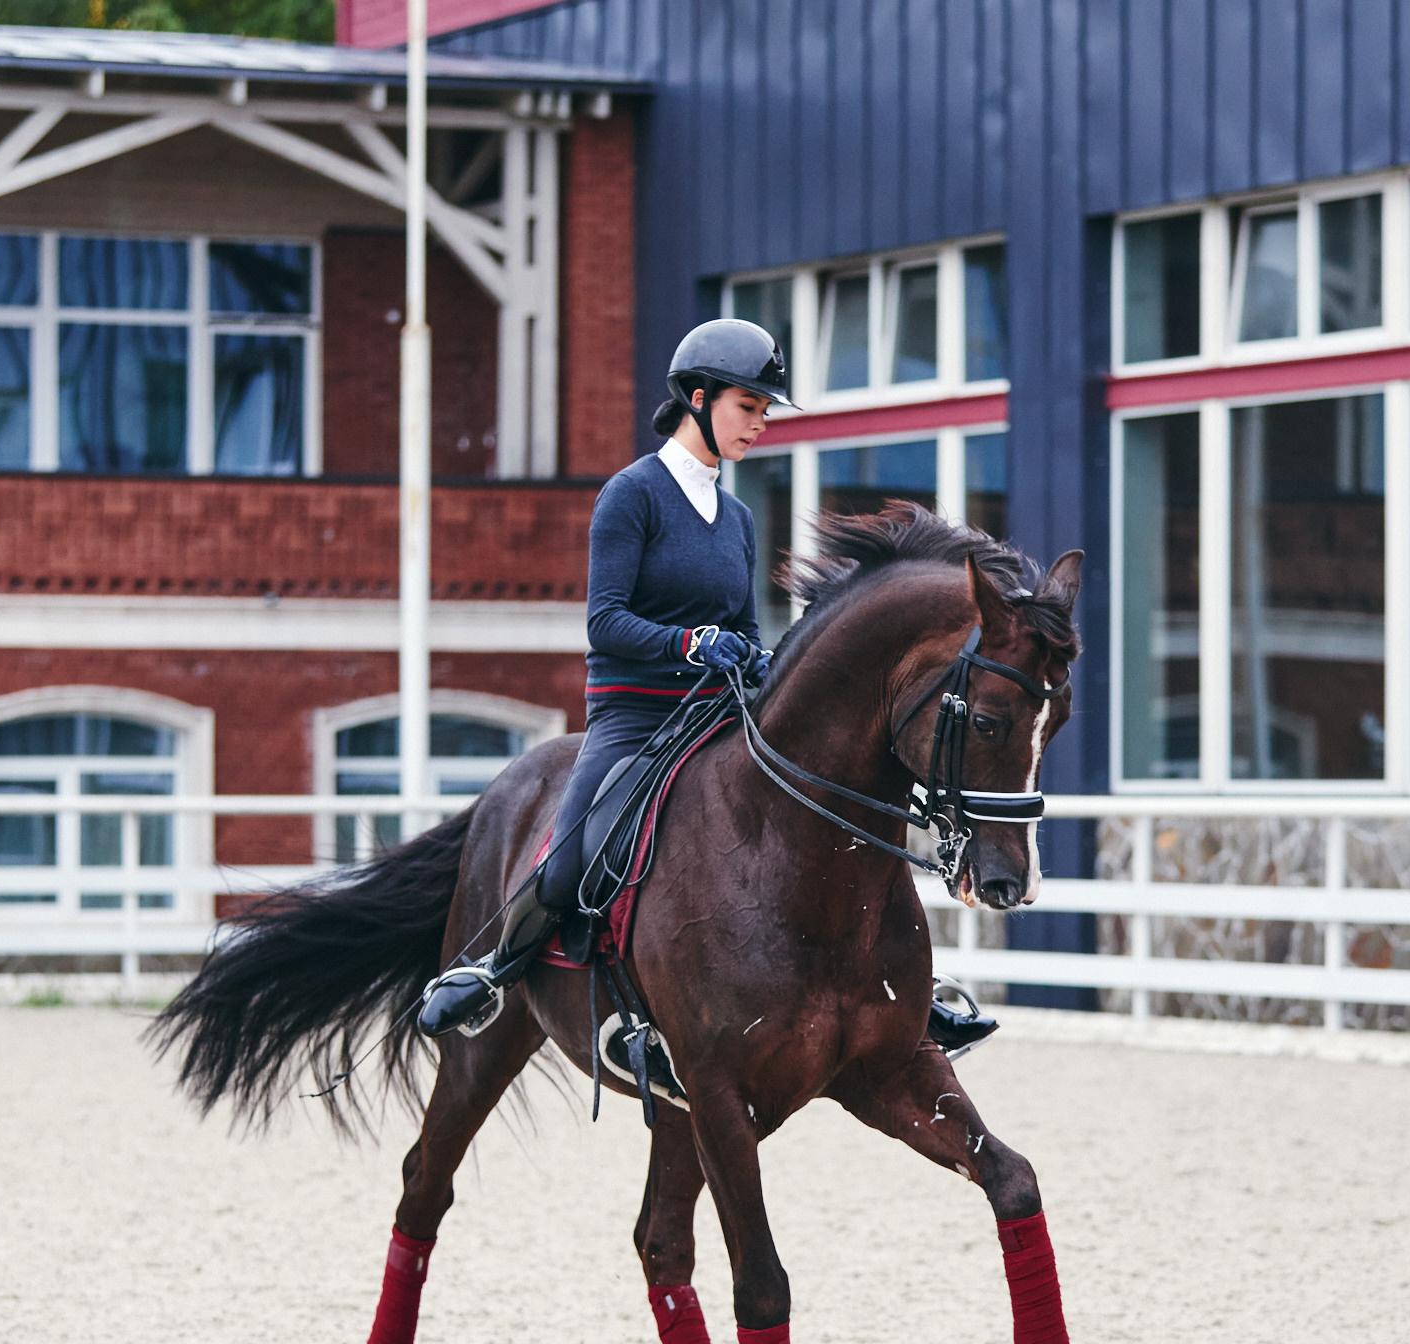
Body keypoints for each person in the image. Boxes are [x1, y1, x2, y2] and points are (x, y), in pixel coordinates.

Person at [415, 320, 997, 1059]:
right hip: (635, 715)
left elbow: (745, 625)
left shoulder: (739, 519)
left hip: (719, 713)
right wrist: (689, 643)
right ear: (698, 398)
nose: (759, 424)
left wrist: (755, 660)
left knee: (831, 815)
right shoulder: (632, 496)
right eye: (747, 406)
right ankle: (496, 971)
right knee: (575, 856)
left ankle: (897, 991)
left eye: (764, 410)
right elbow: (606, 621)